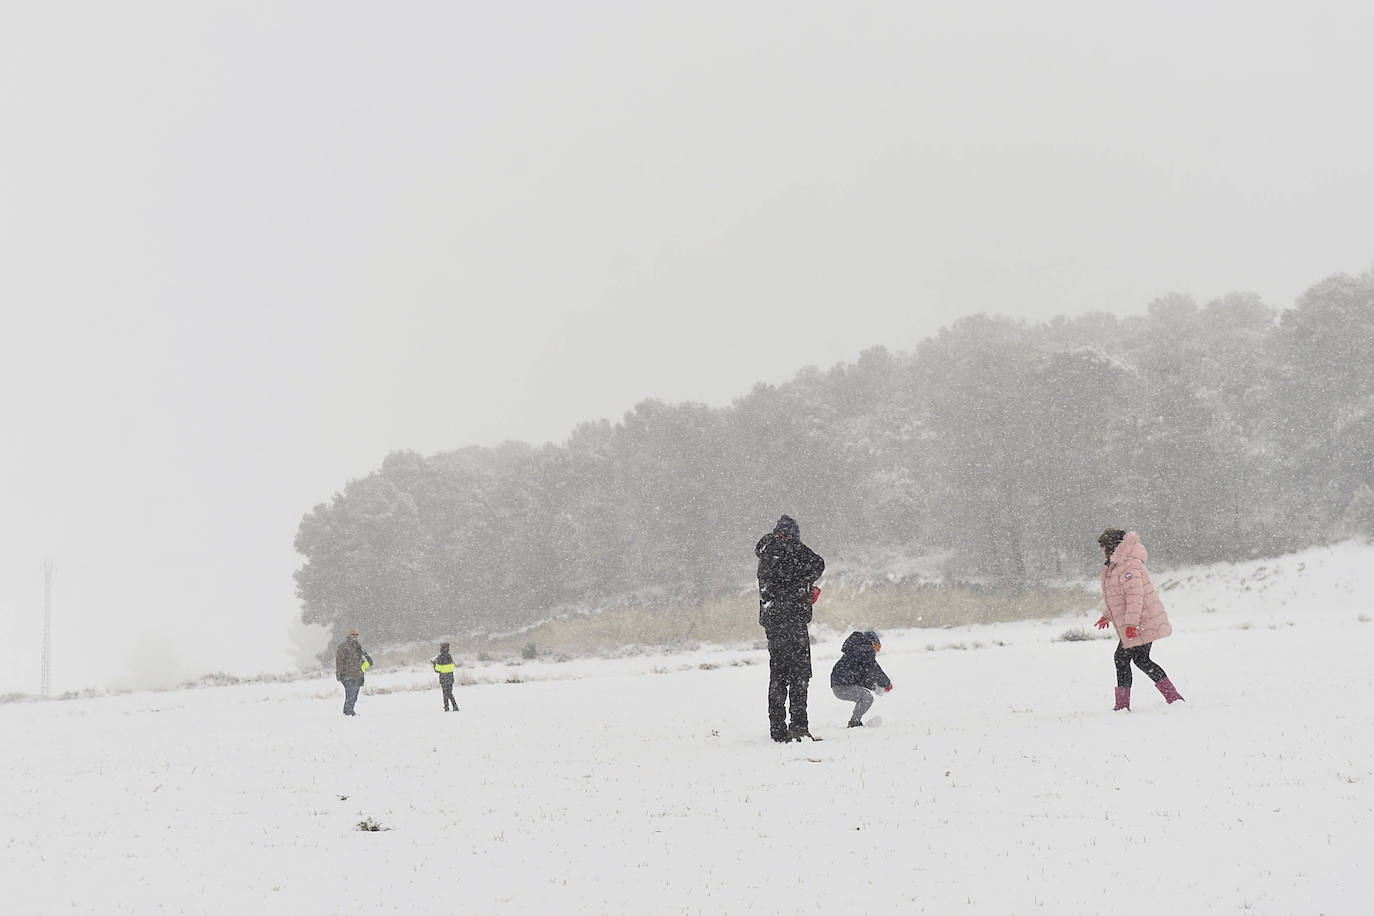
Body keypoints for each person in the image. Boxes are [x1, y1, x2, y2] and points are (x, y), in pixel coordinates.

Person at [1096, 529, 1185, 711]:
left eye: (1103, 547)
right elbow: (1118, 598)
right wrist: (1107, 615)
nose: (1101, 550)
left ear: (1111, 547)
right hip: (1137, 622)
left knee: (1123, 658)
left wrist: (1131, 625)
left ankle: (1123, 706)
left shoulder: (1129, 566)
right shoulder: (1116, 567)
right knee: (1140, 659)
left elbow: (1135, 597)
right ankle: (1173, 697)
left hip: (1142, 622)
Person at [756, 514, 826, 742]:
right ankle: (799, 727)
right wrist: (802, 587)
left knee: (778, 676)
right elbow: (818, 563)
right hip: (793, 622)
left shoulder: (767, 554)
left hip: (775, 624)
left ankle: (777, 730)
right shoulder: (790, 551)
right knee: (800, 676)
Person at [830, 630, 893, 727]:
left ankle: (855, 721)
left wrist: (875, 687)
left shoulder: (857, 649)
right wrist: (886, 683)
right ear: (870, 642)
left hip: (838, 685)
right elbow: (874, 669)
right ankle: (854, 723)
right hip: (842, 685)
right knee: (867, 698)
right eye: (876, 646)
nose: (876, 651)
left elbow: (863, 677)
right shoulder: (865, 649)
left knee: (866, 697)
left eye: (878, 649)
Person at [334, 627, 373, 717]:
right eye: (353, 634)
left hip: (357, 675)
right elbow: (339, 661)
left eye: (356, 635)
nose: (355, 636)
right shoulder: (343, 646)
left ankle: (349, 711)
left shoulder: (358, 646)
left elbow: (363, 662)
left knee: (354, 695)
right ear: (349, 635)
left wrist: (365, 665)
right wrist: (339, 673)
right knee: (350, 694)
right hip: (347, 675)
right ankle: (348, 712)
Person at [431, 642, 459, 712]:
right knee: (449, 693)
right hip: (450, 678)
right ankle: (453, 706)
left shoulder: (440, 657)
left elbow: (437, 670)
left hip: (444, 678)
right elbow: (450, 667)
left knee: (445, 693)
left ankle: (448, 707)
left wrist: (434, 664)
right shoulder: (449, 656)